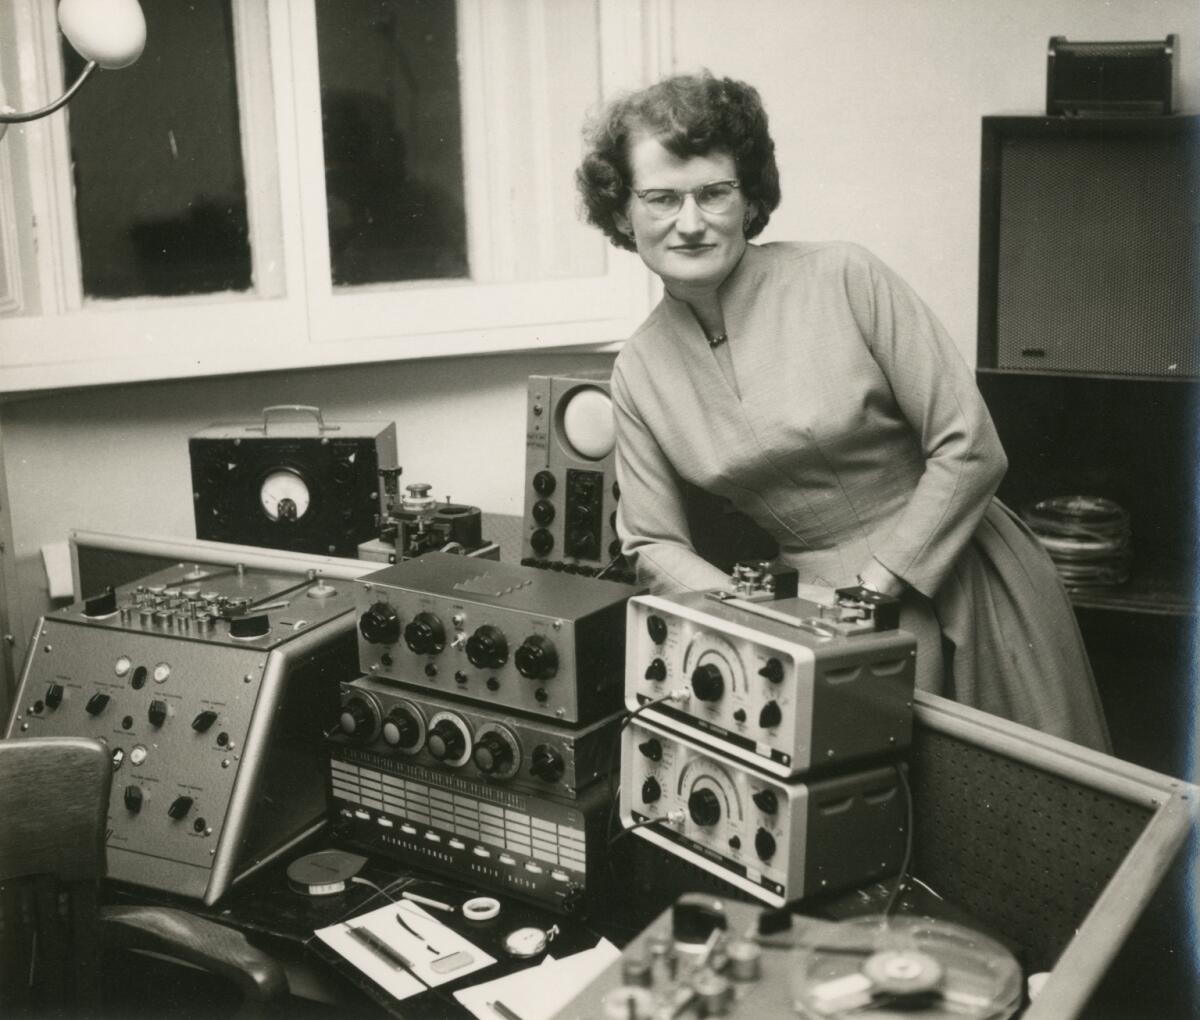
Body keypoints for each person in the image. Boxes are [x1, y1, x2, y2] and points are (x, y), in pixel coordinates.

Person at [576, 70, 1110, 752]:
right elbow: (651, 544)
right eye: (661, 199)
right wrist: (763, 613)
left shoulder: (845, 277)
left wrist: (871, 589)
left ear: (748, 201)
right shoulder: (640, 369)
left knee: (1017, 823)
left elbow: (970, 446)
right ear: (622, 212)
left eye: (715, 193)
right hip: (808, 619)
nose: (690, 222)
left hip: (957, 573)